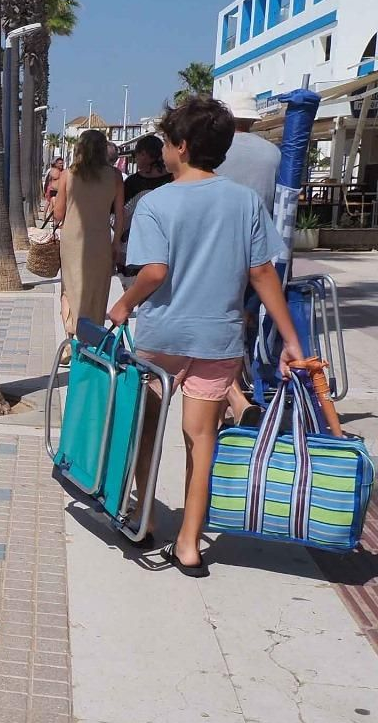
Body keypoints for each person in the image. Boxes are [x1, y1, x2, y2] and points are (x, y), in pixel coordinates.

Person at [109, 96, 303, 577]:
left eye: (169, 143)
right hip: (219, 339)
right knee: (202, 439)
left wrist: (123, 304)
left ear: (182, 146)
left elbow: (154, 272)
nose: (165, 150)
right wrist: (291, 338)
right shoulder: (244, 201)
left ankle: (144, 517)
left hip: (163, 336)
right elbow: (261, 273)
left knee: (147, 430)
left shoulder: (156, 202)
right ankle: (191, 545)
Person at [51, 129, 122, 334]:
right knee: (97, 292)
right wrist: (116, 242)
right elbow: (119, 214)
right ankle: (91, 339)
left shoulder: (68, 175)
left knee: (70, 290)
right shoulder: (115, 176)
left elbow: (58, 214)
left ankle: (70, 333)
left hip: (73, 240)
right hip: (100, 240)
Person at [117, 135, 172, 274]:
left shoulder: (133, 182)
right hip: (166, 245)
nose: (135, 159)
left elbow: (119, 214)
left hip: (135, 246)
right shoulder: (173, 178)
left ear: (145, 154)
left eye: (136, 154)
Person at [219, 92, 280, 212]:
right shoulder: (273, 151)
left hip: (219, 225)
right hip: (260, 226)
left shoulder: (212, 147)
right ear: (252, 120)